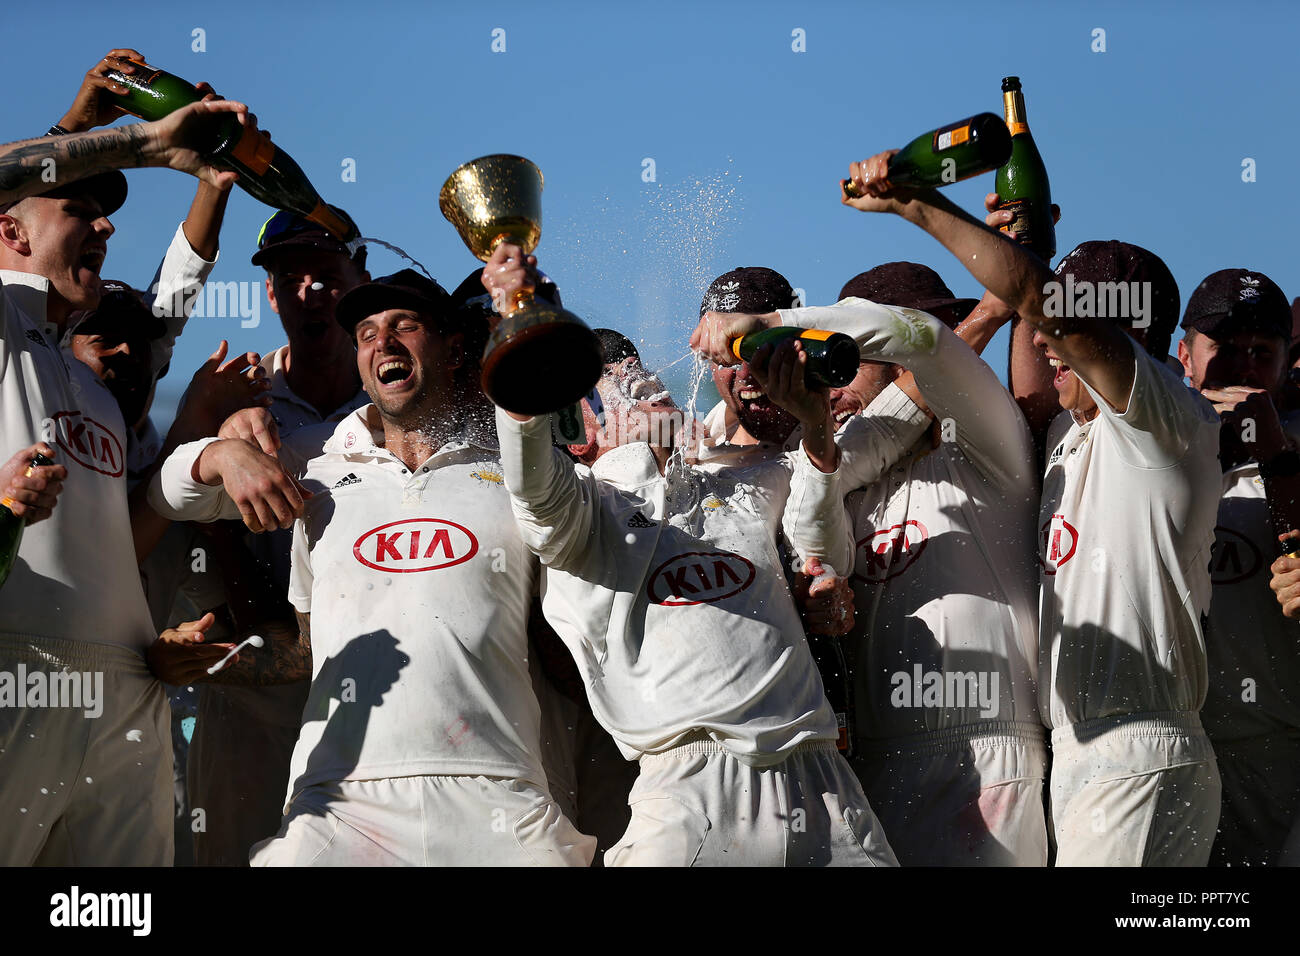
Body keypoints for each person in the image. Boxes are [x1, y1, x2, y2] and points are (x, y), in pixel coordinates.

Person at [148, 268, 595, 866]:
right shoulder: (315, 467)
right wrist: (220, 451)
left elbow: (566, 642)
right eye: (365, 334)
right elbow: (167, 499)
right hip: (337, 801)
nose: (383, 343)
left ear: (455, 349)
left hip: (498, 796)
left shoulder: (523, 473)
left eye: (404, 326)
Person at [488, 250, 898, 866]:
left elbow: (820, 542)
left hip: (822, 780)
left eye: (646, 378)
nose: (647, 391)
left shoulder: (752, 477)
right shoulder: (583, 516)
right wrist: (520, 336)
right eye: (622, 389)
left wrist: (823, 586)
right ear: (580, 430)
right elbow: (534, 490)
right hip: (692, 791)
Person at [0, 92, 252, 865]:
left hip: (127, 686)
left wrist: (192, 467)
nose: (107, 224)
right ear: (9, 229)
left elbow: (126, 537)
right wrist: (137, 140)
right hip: (18, 671)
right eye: (81, 209)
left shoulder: (95, 384)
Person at [765, 262, 1048, 866]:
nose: (826, 382)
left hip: (986, 753)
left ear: (899, 364)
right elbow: (814, 543)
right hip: (869, 763)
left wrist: (992, 311)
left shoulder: (992, 453)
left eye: (843, 359)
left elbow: (939, 356)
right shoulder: (837, 477)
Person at [1177, 268, 1300, 866]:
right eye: (1224, 348)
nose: (1244, 368)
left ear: (1286, 362)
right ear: (1184, 354)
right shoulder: (1143, 443)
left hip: (1273, 750)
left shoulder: (1296, 448)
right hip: (1166, 745)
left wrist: (1273, 452)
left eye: (1263, 352)